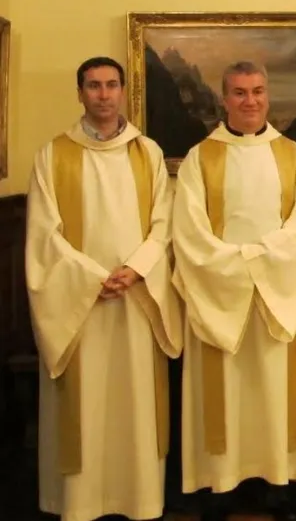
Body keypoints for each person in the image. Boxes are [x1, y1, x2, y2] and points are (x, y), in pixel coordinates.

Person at [26, 56, 181, 521]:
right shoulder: (53, 154)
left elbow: (164, 223)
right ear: (80, 93)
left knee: (134, 403)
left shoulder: (147, 153)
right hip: (79, 304)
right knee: (85, 402)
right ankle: (80, 504)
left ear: (123, 91)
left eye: (112, 85)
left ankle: (139, 501)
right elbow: (43, 233)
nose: (103, 94)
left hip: (137, 299)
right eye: (93, 85)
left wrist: (135, 268)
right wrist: (92, 277)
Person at [171, 61, 296, 521]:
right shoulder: (200, 158)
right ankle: (221, 487)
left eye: (257, 91)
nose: (250, 101)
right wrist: (242, 267)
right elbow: (189, 233)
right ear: (225, 99)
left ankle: (282, 487)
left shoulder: (293, 156)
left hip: (278, 296)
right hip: (221, 294)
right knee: (226, 394)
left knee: (276, 394)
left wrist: (261, 263)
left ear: (267, 95)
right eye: (239, 92)